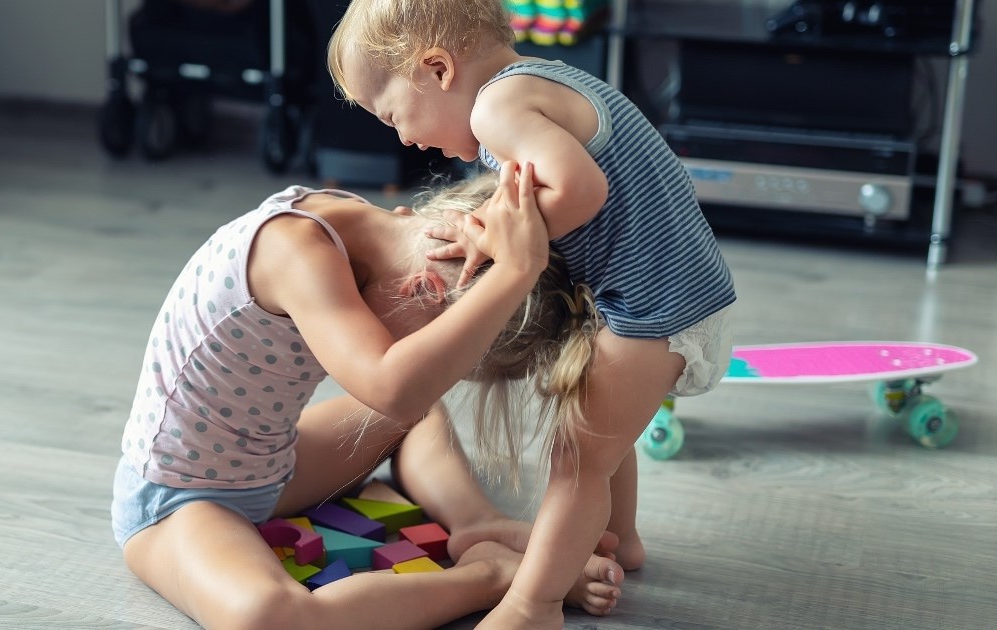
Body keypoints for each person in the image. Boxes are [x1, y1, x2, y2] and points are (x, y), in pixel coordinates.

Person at [327, 1, 738, 627]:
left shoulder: (497, 109)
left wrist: (497, 241)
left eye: (393, 116)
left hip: (655, 305)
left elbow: (581, 189)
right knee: (602, 433)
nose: (404, 139)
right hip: (671, 292)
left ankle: (532, 604)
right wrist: (491, 225)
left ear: (436, 68)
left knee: (576, 462)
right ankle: (618, 539)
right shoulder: (539, 80)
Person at [111, 165, 626, 630]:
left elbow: (410, 401)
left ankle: (477, 524)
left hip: (272, 465)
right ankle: (491, 574)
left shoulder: (372, 226)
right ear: (421, 290)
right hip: (178, 496)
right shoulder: (295, 250)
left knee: (419, 414)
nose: (440, 374)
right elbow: (398, 391)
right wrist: (516, 269)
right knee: (268, 619)